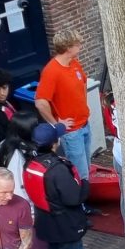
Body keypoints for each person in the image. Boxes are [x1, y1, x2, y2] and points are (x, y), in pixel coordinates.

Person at [22, 122, 92, 249]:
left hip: (45, 223)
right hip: (65, 225)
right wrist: (85, 185)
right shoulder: (58, 169)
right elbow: (74, 197)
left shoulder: (30, 164)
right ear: (55, 143)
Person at [0, 111, 56, 249]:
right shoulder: (17, 156)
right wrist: (30, 210)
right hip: (24, 208)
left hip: (18, 207)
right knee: (35, 246)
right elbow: (18, 188)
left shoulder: (7, 145)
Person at [34, 31, 92, 182]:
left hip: (84, 124)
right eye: (77, 44)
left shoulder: (74, 63)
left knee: (86, 169)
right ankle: (81, 204)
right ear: (68, 48)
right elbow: (40, 102)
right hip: (71, 132)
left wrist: (82, 105)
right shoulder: (51, 72)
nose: (80, 46)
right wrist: (56, 125)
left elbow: (83, 83)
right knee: (80, 174)